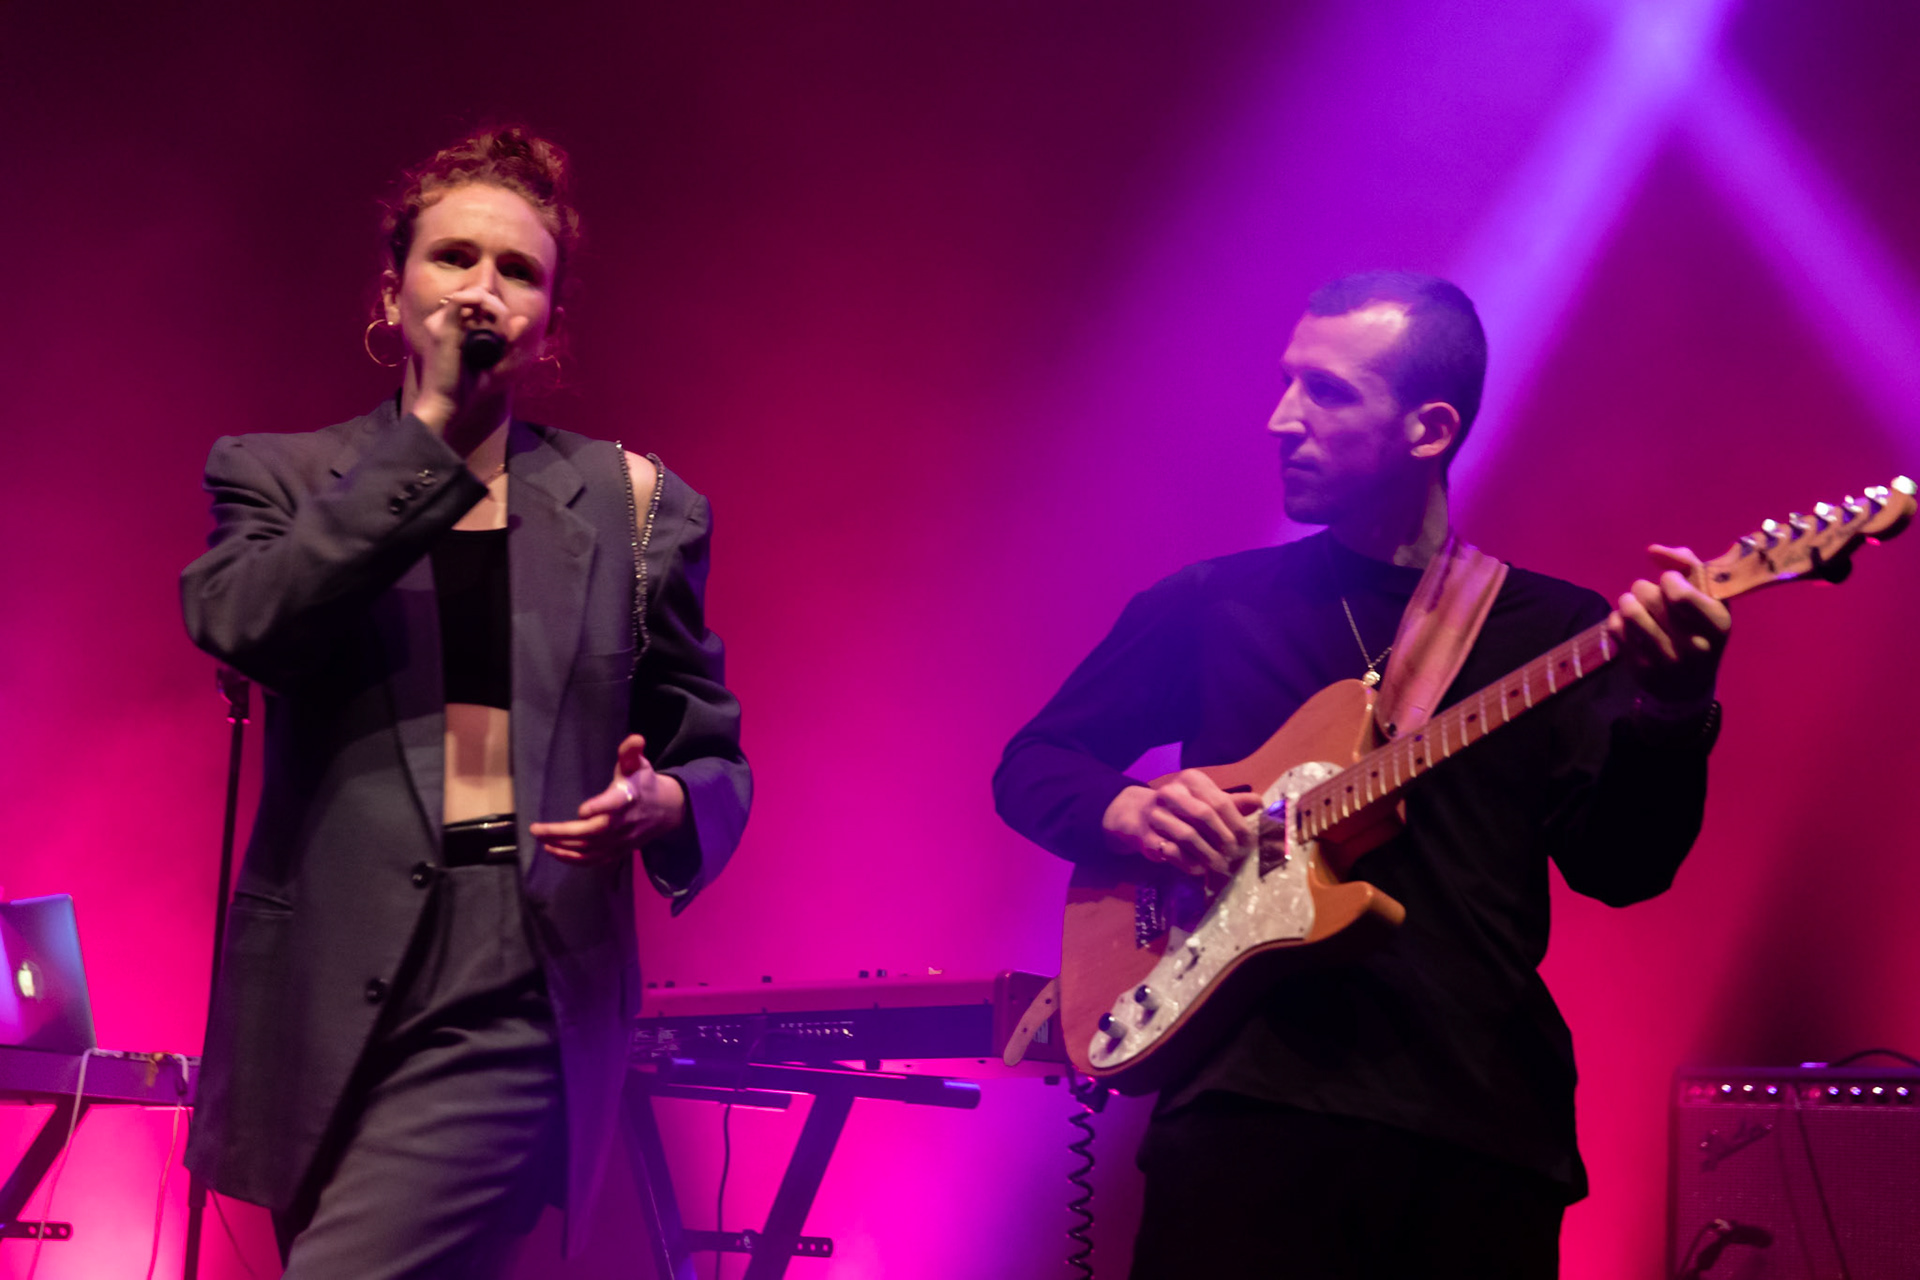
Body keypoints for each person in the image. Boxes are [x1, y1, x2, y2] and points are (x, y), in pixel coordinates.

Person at [992, 272, 1728, 1278]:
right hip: (1246, 1109)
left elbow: (1625, 864)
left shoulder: (1555, 631)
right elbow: (1032, 764)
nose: (1280, 418)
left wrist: (1676, 708)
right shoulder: (1213, 603)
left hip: (1474, 1127)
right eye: (1288, 383)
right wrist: (1132, 805)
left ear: (1428, 429)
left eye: (1326, 392)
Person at [180, 126, 751, 1276]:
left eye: (519, 270)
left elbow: (716, 752)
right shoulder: (281, 475)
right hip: (325, 988)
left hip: (511, 979)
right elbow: (246, 624)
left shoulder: (633, 502)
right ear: (392, 293)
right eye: (452, 258)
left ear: (551, 319)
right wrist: (427, 440)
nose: (482, 289)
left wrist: (668, 803)